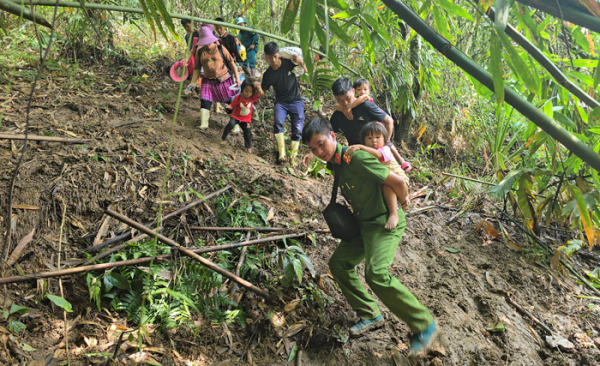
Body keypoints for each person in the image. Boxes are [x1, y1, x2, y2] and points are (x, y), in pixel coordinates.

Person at [302, 117, 440, 360]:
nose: (319, 152)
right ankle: (370, 314)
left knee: (376, 273)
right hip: (362, 226)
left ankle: (426, 327)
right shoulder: (336, 164)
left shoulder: (356, 158)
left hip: (384, 223)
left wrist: (400, 205)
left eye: (321, 144)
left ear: (333, 136)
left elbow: (398, 182)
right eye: (313, 149)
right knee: (339, 264)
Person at [303, 78, 412, 173]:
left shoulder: (366, 106)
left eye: (348, 98)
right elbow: (324, 134)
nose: (345, 103)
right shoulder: (338, 115)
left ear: (354, 91)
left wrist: (385, 145)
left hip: (377, 155)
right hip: (357, 157)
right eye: (340, 100)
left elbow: (389, 121)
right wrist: (312, 153)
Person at [347, 122, 410, 230]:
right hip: (386, 180)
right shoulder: (368, 152)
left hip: (399, 181)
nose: (374, 141)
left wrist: (360, 146)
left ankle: (394, 214)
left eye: (378, 137)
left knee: (386, 187)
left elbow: (378, 155)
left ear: (385, 139)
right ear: (364, 140)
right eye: (369, 138)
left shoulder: (385, 149)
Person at [261, 42, 307, 165]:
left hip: (296, 100)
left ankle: (293, 157)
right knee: (277, 123)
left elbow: (306, 70)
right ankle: (282, 154)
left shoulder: (289, 64)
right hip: (281, 102)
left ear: (278, 54)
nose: (273, 60)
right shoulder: (268, 74)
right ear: (266, 56)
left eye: (275, 56)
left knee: (297, 129)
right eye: (270, 57)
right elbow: (263, 91)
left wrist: (301, 61)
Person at [188, 23, 242, 129]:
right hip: (208, 80)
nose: (207, 45)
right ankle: (204, 124)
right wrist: (192, 82)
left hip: (223, 79)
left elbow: (231, 63)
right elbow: (197, 68)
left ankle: (235, 126)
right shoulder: (200, 51)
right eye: (205, 43)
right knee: (205, 100)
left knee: (228, 101)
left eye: (208, 42)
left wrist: (237, 78)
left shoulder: (220, 48)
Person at [222, 78, 264, 153]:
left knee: (248, 132)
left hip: (246, 120)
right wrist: (228, 107)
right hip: (236, 116)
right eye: (246, 91)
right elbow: (232, 106)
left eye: (250, 92)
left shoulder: (252, 98)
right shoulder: (237, 98)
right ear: (242, 89)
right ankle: (223, 138)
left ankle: (249, 148)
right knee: (231, 124)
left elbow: (260, 93)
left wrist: (258, 87)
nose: (248, 93)